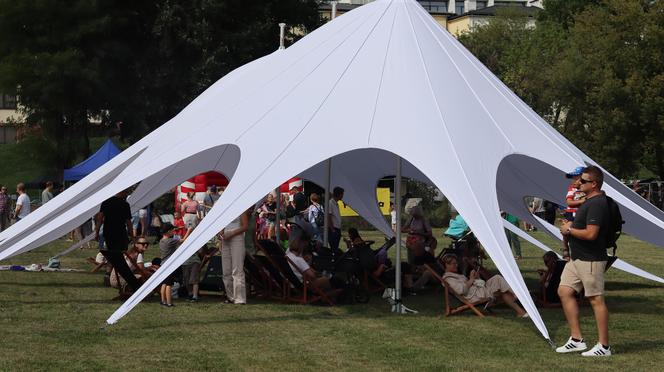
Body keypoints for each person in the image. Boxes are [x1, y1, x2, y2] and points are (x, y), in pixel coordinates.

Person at [556, 165, 612, 356]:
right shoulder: (587, 201)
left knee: (596, 299)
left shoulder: (597, 203)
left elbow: (591, 234)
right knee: (564, 290)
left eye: (583, 180)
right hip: (577, 257)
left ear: (594, 184)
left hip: (590, 258)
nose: (578, 182)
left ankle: (604, 346)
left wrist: (569, 230)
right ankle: (577, 339)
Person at [441, 254, 528, 317]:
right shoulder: (448, 279)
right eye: (453, 263)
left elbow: (468, 285)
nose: (456, 265)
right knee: (498, 280)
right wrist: (471, 279)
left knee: (501, 287)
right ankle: (517, 295)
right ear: (446, 265)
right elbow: (461, 290)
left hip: (479, 291)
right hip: (476, 296)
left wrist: (476, 278)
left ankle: (521, 312)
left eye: (456, 263)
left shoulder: (456, 275)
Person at [95, 190, 141, 293]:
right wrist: (132, 236)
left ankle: (109, 275)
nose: (126, 195)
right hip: (120, 233)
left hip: (109, 233)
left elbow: (100, 218)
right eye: (125, 193)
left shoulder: (106, 202)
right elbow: (128, 222)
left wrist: (97, 232)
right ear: (121, 192)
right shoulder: (125, 204)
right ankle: (120, 278)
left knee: (113, 255)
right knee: (120, 257)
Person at [219, 209, 249, 304]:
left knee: (237, 269)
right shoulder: (225, 209)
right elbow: (221, 226)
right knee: (226, 270)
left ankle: (240, 298)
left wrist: (232, 233)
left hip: (237, 238)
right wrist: (221, 234)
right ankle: (230, 296)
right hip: (225, 240)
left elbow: (245, 226)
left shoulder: (241, 208)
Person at [328, 187, 344, 252]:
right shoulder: (330, 203)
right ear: (339, 194)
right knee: (334, 249)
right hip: (333, 230)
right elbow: (328, 216)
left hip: (337, 229)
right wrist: (332, 229)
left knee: (336, 248)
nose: (343, 196)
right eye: (342, 194)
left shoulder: (336, 203)